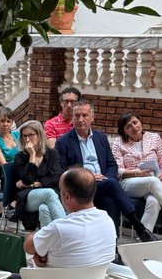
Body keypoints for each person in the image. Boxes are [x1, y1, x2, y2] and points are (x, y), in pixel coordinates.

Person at [54, 102, 154, 242]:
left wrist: (105, 177)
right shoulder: (63, 142)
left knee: (111, 200)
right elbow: (62, 171)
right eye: (77, 116)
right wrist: (87, 176)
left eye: (85, 115)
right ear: (72, 119)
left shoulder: (100, 138)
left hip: (103, 184)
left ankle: (113, 248)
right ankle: (139, 227)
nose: (81, 119)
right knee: (113, 185)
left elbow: (112, 165)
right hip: (81, 187)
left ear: (92, 118)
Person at [112, 111, 162, 235]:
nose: (134, 127)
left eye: (135, 122)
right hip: (129, 183)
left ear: (140, 122)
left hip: (154, 182)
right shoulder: (119, 142)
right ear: (124, 131)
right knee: (153, 181)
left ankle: (143, 238)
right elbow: (118, 170)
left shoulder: (154, 138)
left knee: (154, 202)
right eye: (128, 126)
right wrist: (137, 173)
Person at [13, 120, 66, 229]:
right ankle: (67, 230)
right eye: (24, 136)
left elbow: (56, 176)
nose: (27, 139)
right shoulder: (20, 157)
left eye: (31, 135)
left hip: (46, 194)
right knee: (49, 193)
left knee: (44, 209)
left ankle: (48, 242)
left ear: (39, 135)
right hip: (27, 197)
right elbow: (28, 180)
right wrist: (32, 155)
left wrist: (38, 183)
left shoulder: (52, 154)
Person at [0, 107, 20, 182]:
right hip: (9, 177)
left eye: (8, 121)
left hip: (24, 172)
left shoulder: (18, 135)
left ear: (12, 122)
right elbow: (5, 165)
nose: (5, 124)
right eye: (2, 121)